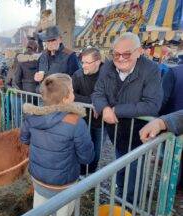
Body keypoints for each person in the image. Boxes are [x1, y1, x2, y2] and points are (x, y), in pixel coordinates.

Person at [91, 32, 163, 203]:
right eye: (116, 54)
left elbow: (152, 104)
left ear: (139, 52)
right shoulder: (107, 67)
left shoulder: (151, 69)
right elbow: (97, 93)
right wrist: (104, 108)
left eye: (127, 54)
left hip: (139, 132)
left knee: (134, 169)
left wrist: (116, 110)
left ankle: (130, 204)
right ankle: (121, 193)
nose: (121, 58)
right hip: (116, 130)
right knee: (121, 163)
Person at [20, 73, 94, 216]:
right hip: (63, 184)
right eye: (72, 90)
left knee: (39, 213)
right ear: (66, 97)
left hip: (39, 179)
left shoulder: (32, 116)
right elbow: (87, 157)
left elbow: (24, 139)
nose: (74, 93)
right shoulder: (76, 121)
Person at [72, 47, 105, 174]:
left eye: (87, 63)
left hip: (99, 122)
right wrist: (93, 101)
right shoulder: (78, 75)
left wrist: (100, 102)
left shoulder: (108, 75)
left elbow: (111, 95)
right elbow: (72, 95)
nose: (84, 65)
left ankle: (90, 176)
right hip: (82, 119)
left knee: (96, 151)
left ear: (97, 62)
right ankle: (80, 174)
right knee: (81, 147)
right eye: (82, 62)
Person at [139, 110, 183, 188]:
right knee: (171, 160)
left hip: (172, 128)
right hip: (170, 126)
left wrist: (162, 122)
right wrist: (162, 122)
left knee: (173, 162)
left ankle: (168, 187)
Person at [34, 26, 80, 92]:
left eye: (53, 40)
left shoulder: (70, 56)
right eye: (48, 40)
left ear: (60, 39)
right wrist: (37, 77)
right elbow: (38, 72)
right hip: (43, 96)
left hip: (59, 98)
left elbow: (75, 80)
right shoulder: (42, 56)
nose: (50, 43)